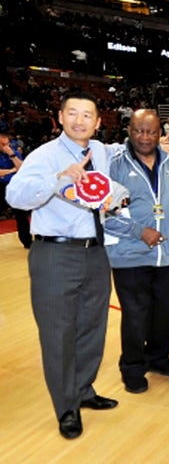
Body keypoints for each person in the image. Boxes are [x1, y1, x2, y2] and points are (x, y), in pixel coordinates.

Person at [7, 91, 119, 439]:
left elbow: (118, 167)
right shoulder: (45, 155)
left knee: (92, 329)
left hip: (95, 251)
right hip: (55, 253)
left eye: (87, 115)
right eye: (72, 113)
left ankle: (83, 390)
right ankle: (66, 406)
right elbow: (15, 196)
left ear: (97, 122)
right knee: (58, 334)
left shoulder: (100, 150)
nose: (79, 120)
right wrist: (59, 178)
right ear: (59, 117)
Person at [104, 109, 169, 394]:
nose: (144, 137)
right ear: (129, 131)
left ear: (160, 133)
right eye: (138, 130)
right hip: (129, 254)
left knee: (164, 313)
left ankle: (158, 357)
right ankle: (132, 367)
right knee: (136, 315)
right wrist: (139, 231)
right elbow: (104, 213)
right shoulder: (114, 165)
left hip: (167, 253)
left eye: (150, 131)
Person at [0, 131, 30, 248]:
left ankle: (27, 241)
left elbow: (22, 168)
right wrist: (12, 170)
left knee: (21, 214)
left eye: (7, 144)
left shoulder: (14, 152)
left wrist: (12, 155)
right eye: (3, 144)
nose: (6, 147)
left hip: (16, 185)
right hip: (2, 186)